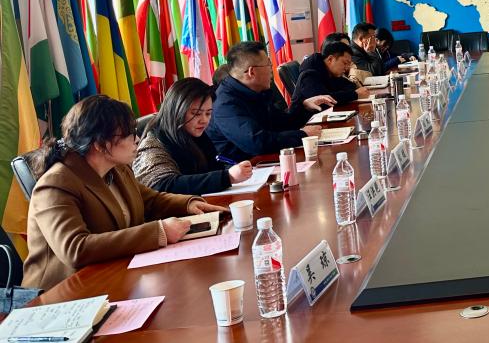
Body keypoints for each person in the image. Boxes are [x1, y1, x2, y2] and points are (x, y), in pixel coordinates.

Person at [22, 95, 225, 291]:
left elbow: (149, 200)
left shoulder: (117, 168)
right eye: (129, 134)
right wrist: (158, 232)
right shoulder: (55, 185)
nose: (137, 139)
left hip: (112, 275)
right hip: (63, 293)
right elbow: (75, 248)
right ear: (100, 144)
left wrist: (188, 204)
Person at [206, 41, 336, 159]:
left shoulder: (255, 92)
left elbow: (281, 123)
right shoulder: (225, 104)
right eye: (268, 65)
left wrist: (304, 106)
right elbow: (257, 143)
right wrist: (302, 135)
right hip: (242, 169)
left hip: (263, 161)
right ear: (252, 72)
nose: (272, 70)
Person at [133, 78, 254, 195]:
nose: (204, 120)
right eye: (196, 113)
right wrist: (227, 177)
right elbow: (161, 185)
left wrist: (232, 170)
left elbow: (213, 167)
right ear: (177, 111)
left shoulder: (193, 132)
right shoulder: (154, 143)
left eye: (208, 113)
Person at [293, 40, 369, 105]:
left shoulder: (330, 71)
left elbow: (350, 86)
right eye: (345, 63)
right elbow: (324, 101)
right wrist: (355, 95)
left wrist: (343, 94)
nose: (346, 68)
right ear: (330, 59)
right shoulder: (309, 74)